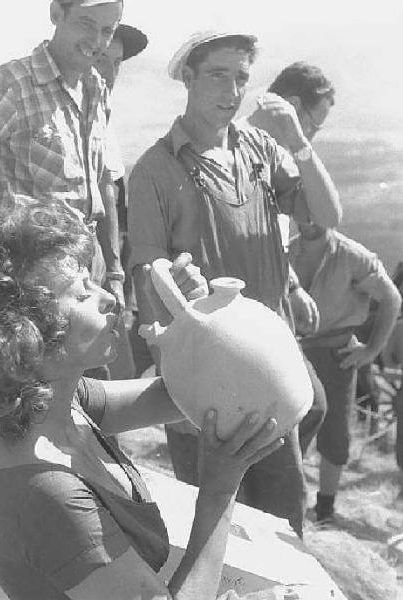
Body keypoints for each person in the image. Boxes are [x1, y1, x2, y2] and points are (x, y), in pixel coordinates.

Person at [0, 201, 282, 600]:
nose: (110, 298)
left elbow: (176, 395)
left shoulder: (53, 406)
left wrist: (192, 323)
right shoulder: (51, 500)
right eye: (82, 295)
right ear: (27, 337)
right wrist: (218, 490)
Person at [128, 31, 341, 536]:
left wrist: (301, 144)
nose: (231, 89)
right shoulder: (155, 172)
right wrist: (176, 384)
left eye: (241, 78)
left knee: (281, 526)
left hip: (270, 362)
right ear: (188, 77)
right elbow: (148, 277)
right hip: (206, 371)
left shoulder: (260, 149)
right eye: (218, 75)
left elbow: (327, 215)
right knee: (215, 528)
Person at [0, 0, 125, 305]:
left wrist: (113, 273)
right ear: (57, 14)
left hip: (89, 267)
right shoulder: (14, 84)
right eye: (86, 23)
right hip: (35, 273)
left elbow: (100, 186)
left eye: (107, 30)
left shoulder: (95, 87)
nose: (97, 41)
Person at [246, 62, 339, 456]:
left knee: (312, 406)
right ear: (295, 107)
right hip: (249, 310)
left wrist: (295, 287)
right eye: (314, 123)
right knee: (308, 405)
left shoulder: (276, 157)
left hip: (274, 301)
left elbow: (291, 230)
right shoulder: (243, 147)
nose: (313, 134)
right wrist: (302, 142)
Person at [289, 223, 401, 522]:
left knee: (334, 432)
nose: (309, 220)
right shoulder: (286, 250)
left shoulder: (352, 255)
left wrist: (371, 350)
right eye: (303, 211)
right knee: (287, 429)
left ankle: (324, 509)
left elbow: (391, 298)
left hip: (336, 355)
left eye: (318, 212)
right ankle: (287, 501)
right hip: (292, 351)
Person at [94, 24, 153, 377]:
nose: (109, 72)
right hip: (63, 282)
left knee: (112, 386)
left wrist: (115, 278)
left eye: (116, 64)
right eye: (101, 59)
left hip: (102, 279)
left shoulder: (102, 119)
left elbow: (110, 199)